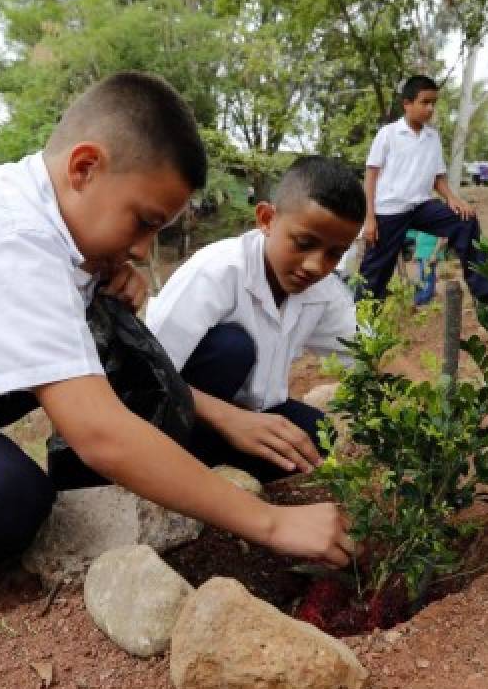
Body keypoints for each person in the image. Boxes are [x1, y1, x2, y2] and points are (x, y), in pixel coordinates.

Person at [0, 72, 354, 616]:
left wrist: (98, 277)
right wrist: (271, 525)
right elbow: (100, 432)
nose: (143, 250)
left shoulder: (42, 208)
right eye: (144, 223)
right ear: (84, 168)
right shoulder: (13, 240)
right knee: (4, 501)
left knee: (111, 342)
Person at [145, 156, 362, 484]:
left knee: (317, 437)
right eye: (304, 244)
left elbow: (368, 352)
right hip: (175, 415)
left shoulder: (322, 292)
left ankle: (219, 463)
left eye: (334, 254)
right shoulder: (217, 273)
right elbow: (145, 376)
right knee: (233, 347)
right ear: (267, 219)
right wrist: (230, 420)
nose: (316, 265)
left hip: (250, 415)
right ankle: (175, 467)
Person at [357, 75, 488, 303]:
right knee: (374, 275)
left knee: (465, 219)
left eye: (434, 103)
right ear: (407, 104)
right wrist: (369, 218)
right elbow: (370, 176)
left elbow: (437, 177)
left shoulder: (432, 137)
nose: (430, 108)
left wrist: (452, 198)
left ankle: (486, 294)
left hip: (421, 207)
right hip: (389, 211)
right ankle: (359, 328)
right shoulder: (388, 134)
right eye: (425, 102)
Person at [411, 230, 444, 306]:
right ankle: (420, 299)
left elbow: (440, 238)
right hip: (421, 253)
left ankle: (424, 300)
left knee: (428, 277)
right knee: (421, 276)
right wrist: (415, 252)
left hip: (429, 253)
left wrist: (434, 254)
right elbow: (418, 236)